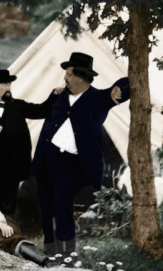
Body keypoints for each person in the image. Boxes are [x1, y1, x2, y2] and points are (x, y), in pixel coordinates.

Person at [30, 52, 129, 260]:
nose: (65, 77)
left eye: (68, 74)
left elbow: (129, 84)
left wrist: (120, 88)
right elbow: (40, 111)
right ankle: (49, 251)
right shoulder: (58, 95)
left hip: (71, 164)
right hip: (48, 158)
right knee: (46, 205)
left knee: (61, 204)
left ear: (81, 77)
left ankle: (67, 253)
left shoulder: (100, 99)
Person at [0, 68, 58, 216]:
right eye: (3, 85)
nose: (8, 88)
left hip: (10, 171)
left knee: (7, 210)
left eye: (9, 84)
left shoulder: (17, 107)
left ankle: (7, 237)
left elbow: (41, 111)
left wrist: (54, 95)